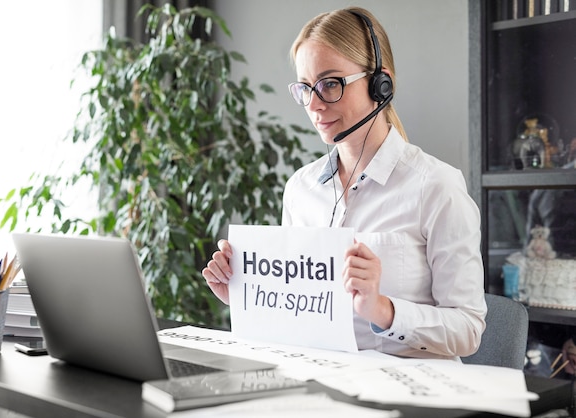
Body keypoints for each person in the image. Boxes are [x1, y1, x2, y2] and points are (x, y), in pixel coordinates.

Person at [202, 6, 487, 361]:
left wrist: (383, 310)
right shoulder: (300, 189)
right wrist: (249, 296)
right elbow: (300, 315)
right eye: (306, 88)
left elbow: (468, 330)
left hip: (406, 396)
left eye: (330, 84)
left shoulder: (437, 187)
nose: (315, 105)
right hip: (322, 388)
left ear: (380, 83)